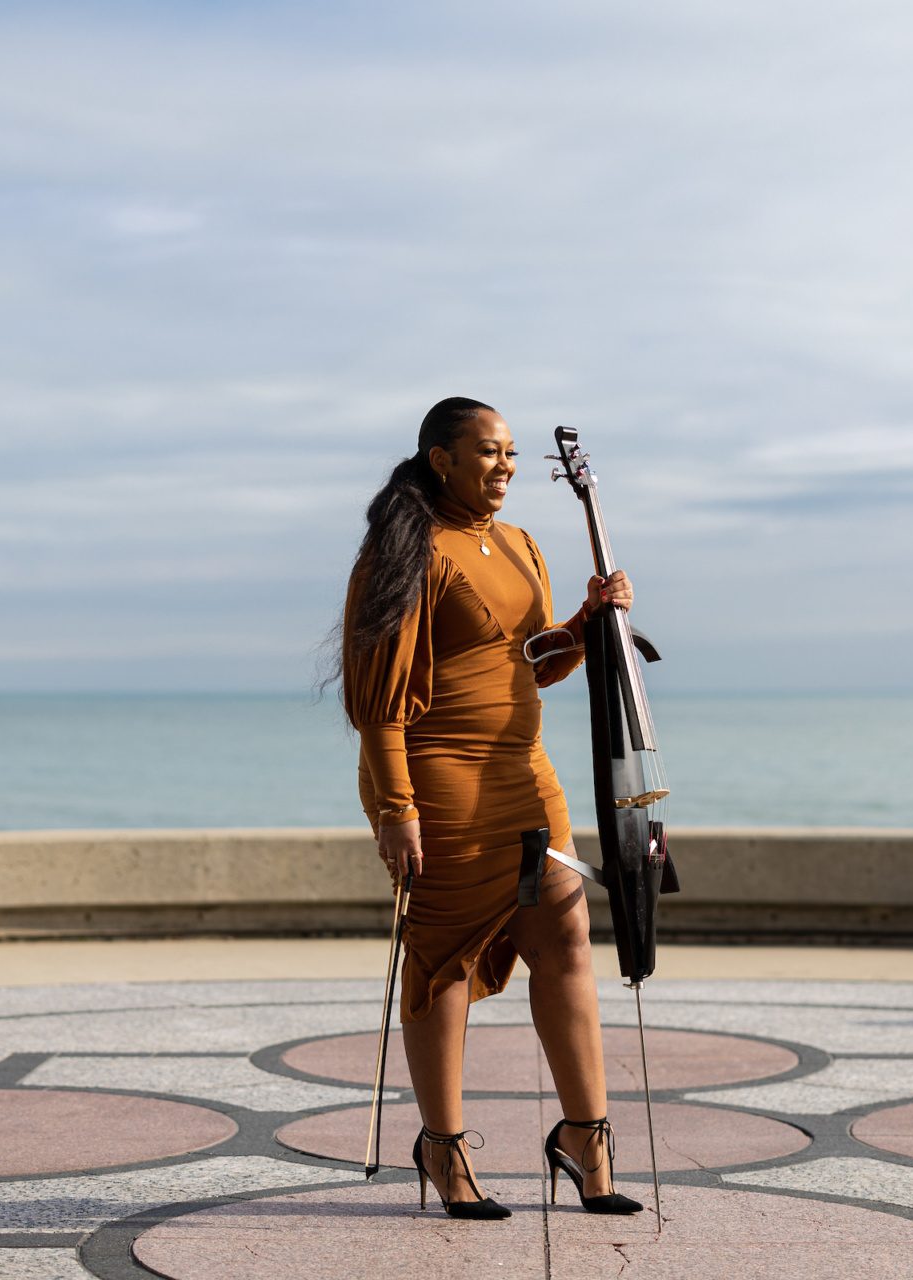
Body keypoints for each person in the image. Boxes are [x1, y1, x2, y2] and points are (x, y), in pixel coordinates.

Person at [339, 396, 643, 1220]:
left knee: (568, 938)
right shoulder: (404, 551)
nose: (505, 466)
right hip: (440, 779)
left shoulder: (519, 545)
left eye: (510, 453)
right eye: (487, 453)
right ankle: (442, 1148)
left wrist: (586, 623)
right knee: (443, 957)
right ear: (440, 458)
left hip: (525, 770)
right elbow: (378, 702)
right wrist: (395, 806)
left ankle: (585, 1138)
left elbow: (530, 661)